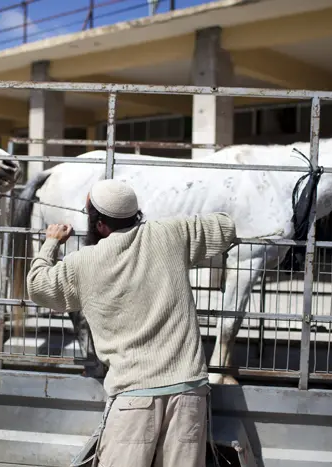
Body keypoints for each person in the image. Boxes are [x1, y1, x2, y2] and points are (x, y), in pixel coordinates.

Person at [26, 179, 237, 467]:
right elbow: (226, 227)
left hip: (134, 397)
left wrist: (51, 243)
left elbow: (38, 287)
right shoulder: (170, 233)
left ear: (99, 224)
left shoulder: (83, 263)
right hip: (188, 393)